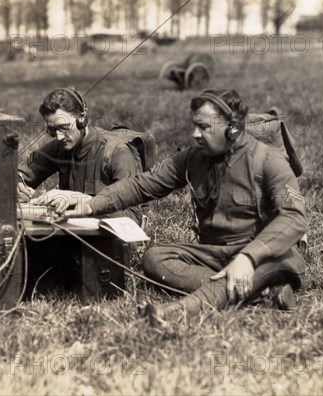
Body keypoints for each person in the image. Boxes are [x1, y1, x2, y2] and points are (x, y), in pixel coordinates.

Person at [47, 89, 307, 325]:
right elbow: (142, 185)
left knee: (260, 267)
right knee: (155, 258)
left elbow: (294, 219)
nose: (195, 134)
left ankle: (174, 314)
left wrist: (248, 258)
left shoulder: (269, 162)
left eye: (203, 127)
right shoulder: (194, 157)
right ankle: (258, 292)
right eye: (195, 126)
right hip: (213, 255)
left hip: (266, 255)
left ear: (232, 129)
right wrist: (90, 205)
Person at [18, 87, 144, 223]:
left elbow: (132, 216)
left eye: (64, 128)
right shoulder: (60, 147)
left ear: (82, 119)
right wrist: (17, 187)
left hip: (108, 239)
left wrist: (83, 200)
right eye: (52, 130)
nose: (59, 137)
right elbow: (18, 175)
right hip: (71, 233)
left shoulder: (116, 152)